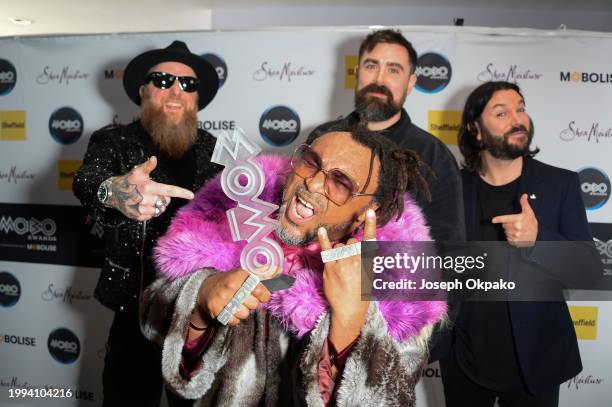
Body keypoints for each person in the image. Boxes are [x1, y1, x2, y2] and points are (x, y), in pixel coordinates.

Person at [140, 125, 447, 406]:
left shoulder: (396, 292)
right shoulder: (229, 222)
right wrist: (201, 301)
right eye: (311, 162)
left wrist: (352, 318)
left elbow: (391, 398)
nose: (312, 183)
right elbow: (152, 318)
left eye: (340, 182)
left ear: (368, 211)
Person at [73, 40, 221, 406]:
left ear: (197, 99)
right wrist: (117, 192)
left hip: (194, 312)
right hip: (133, 309)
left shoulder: (215, 149)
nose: (176, 90)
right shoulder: (112, 141)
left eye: (188, 84)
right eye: (163, 80)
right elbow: (88, 182)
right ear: (143, 90)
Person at [440, 80, 600, 407]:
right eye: (502, 112)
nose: (518, 119)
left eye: (521, 109)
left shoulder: (561, 184)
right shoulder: (451, 189)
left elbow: (589, 272)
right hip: (464, 363)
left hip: (536, 363)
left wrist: (537, 240)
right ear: (476, 130)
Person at [309, 29, 464, 243]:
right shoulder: (323, 137)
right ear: (356, 72)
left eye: (393, 70)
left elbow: (449, 249)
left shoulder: (434, 156)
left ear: (410, 83)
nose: (379, 79)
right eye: (371, 66)